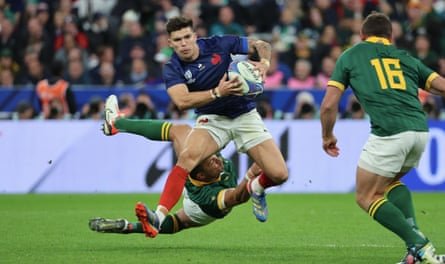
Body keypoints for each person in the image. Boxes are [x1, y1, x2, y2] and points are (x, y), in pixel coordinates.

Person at [105, 16, 288, 238]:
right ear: (170, 43)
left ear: (195, 36)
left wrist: (264, 62)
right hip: (212, 118)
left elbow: (262, 45)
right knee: (188, 156)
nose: (183, 43)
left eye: (186, 37)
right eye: (177, 40)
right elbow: (182, 101)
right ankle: (159, 216)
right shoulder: (173, 67)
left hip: (245, 115)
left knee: (279, 174)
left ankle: (257, 189)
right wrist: (217, 93)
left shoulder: (218, 44)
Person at [320, 12, 445, 264]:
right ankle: (415, 250)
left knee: (366, 196)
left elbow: (328, 106)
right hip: (420, 131)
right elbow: (440, 86)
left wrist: (327, 135)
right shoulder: (405, 57)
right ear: (391, 36)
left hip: (390, 132)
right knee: (390, 182)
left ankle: (419, 244)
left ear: (362, 35)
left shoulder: (351, 55)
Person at [92, 95, 261, 235]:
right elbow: (237, 197)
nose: (218, 159)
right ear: (202, 175)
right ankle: (152, 219)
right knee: (180, 222)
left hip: (193, 178)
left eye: (213, 157)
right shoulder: (209, 197)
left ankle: (117, 124)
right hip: (200, 208)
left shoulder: (208, 159)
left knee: (180, 131)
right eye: (212, 161)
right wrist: (253, 177)